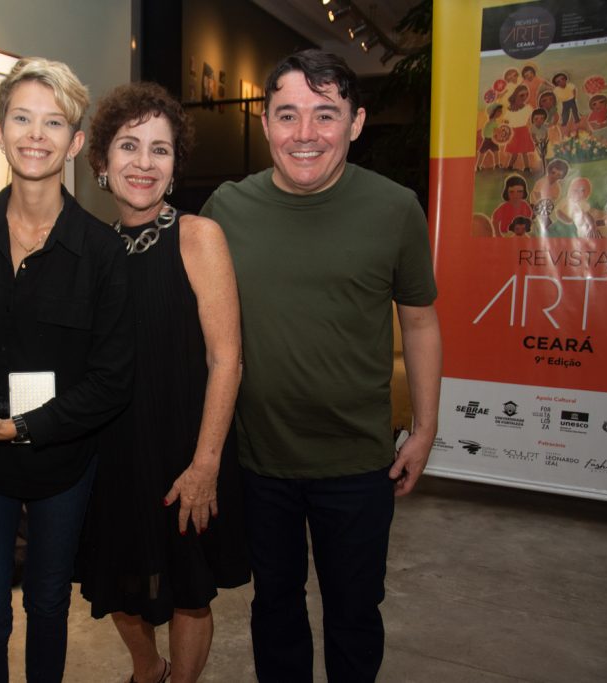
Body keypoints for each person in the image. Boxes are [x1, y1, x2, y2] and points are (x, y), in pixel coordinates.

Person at [200, 49, 442, 682]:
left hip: (359, 463)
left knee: (355, 613)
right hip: (258, 462)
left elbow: (420, 321)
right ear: (266, 124)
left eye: (325, 115)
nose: (304, 134)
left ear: (356, 123)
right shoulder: (226, 209)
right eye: (287, 115)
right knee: (273, 610)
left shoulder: (395, 209)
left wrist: (425, 427)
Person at [0, 57, 133, 683]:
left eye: (54, 123)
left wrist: (21, 428)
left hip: (61, 462)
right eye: (21, 118)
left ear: (76, 143)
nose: (35, 134)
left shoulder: (103, 252)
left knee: (49, 606)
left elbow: (110, 381)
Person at [78, 82, 251, 683]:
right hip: (113, 452)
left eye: (161, 150)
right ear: (102, 162)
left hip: (185, 447)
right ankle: (148, 670)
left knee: (188, 589)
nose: (144, 164)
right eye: (129, 147)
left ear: (176, 164)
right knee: (120, 586)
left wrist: (205, 464)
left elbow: (226, 360)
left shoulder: (198, 237)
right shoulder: (91, 248)